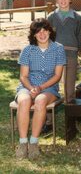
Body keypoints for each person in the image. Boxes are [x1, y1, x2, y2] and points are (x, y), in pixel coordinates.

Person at [15, 18, 66, 160]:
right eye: (38, 32)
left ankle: (33, 143)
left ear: (50, 31)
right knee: (24, 101)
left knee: (40, 101)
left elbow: (57, 75)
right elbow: (23, 76)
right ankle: (23, 142)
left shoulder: (58, 48)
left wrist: (41, 87)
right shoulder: (27, 50)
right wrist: (31, 88)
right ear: (34, 35)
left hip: (49, 87)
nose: (42, 34)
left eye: (44, 30)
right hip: (28, 86)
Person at [48, 0, 81, 104]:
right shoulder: (51, 17)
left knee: (70, 84)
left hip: (71, 53)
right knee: (51, 83)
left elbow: (80, 35)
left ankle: (70, 112)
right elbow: (47, 37)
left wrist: (80, 48)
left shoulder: (77, 18)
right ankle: (48, 117)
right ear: (56, 0)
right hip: (54, 54)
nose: (63, 0)